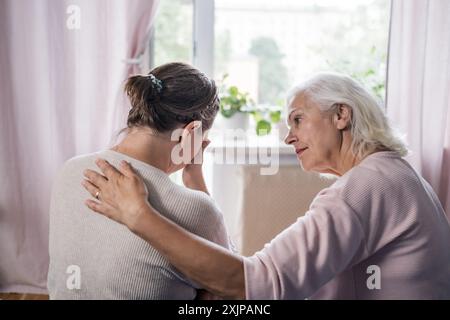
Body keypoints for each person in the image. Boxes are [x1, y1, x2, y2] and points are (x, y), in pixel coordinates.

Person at [82, 73, 450, 299]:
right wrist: (194, 177)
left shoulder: (367, 186)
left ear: (341, 115)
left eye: (297, 120)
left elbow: (259, 282)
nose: (288, 138)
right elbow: (261, 273)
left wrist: (139, 216)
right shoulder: (390, 175)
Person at [48, 62, 231, 299]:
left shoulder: (70, 171)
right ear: (192, 133)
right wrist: (195, 178)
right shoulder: (196, 209)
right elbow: (234, 280)